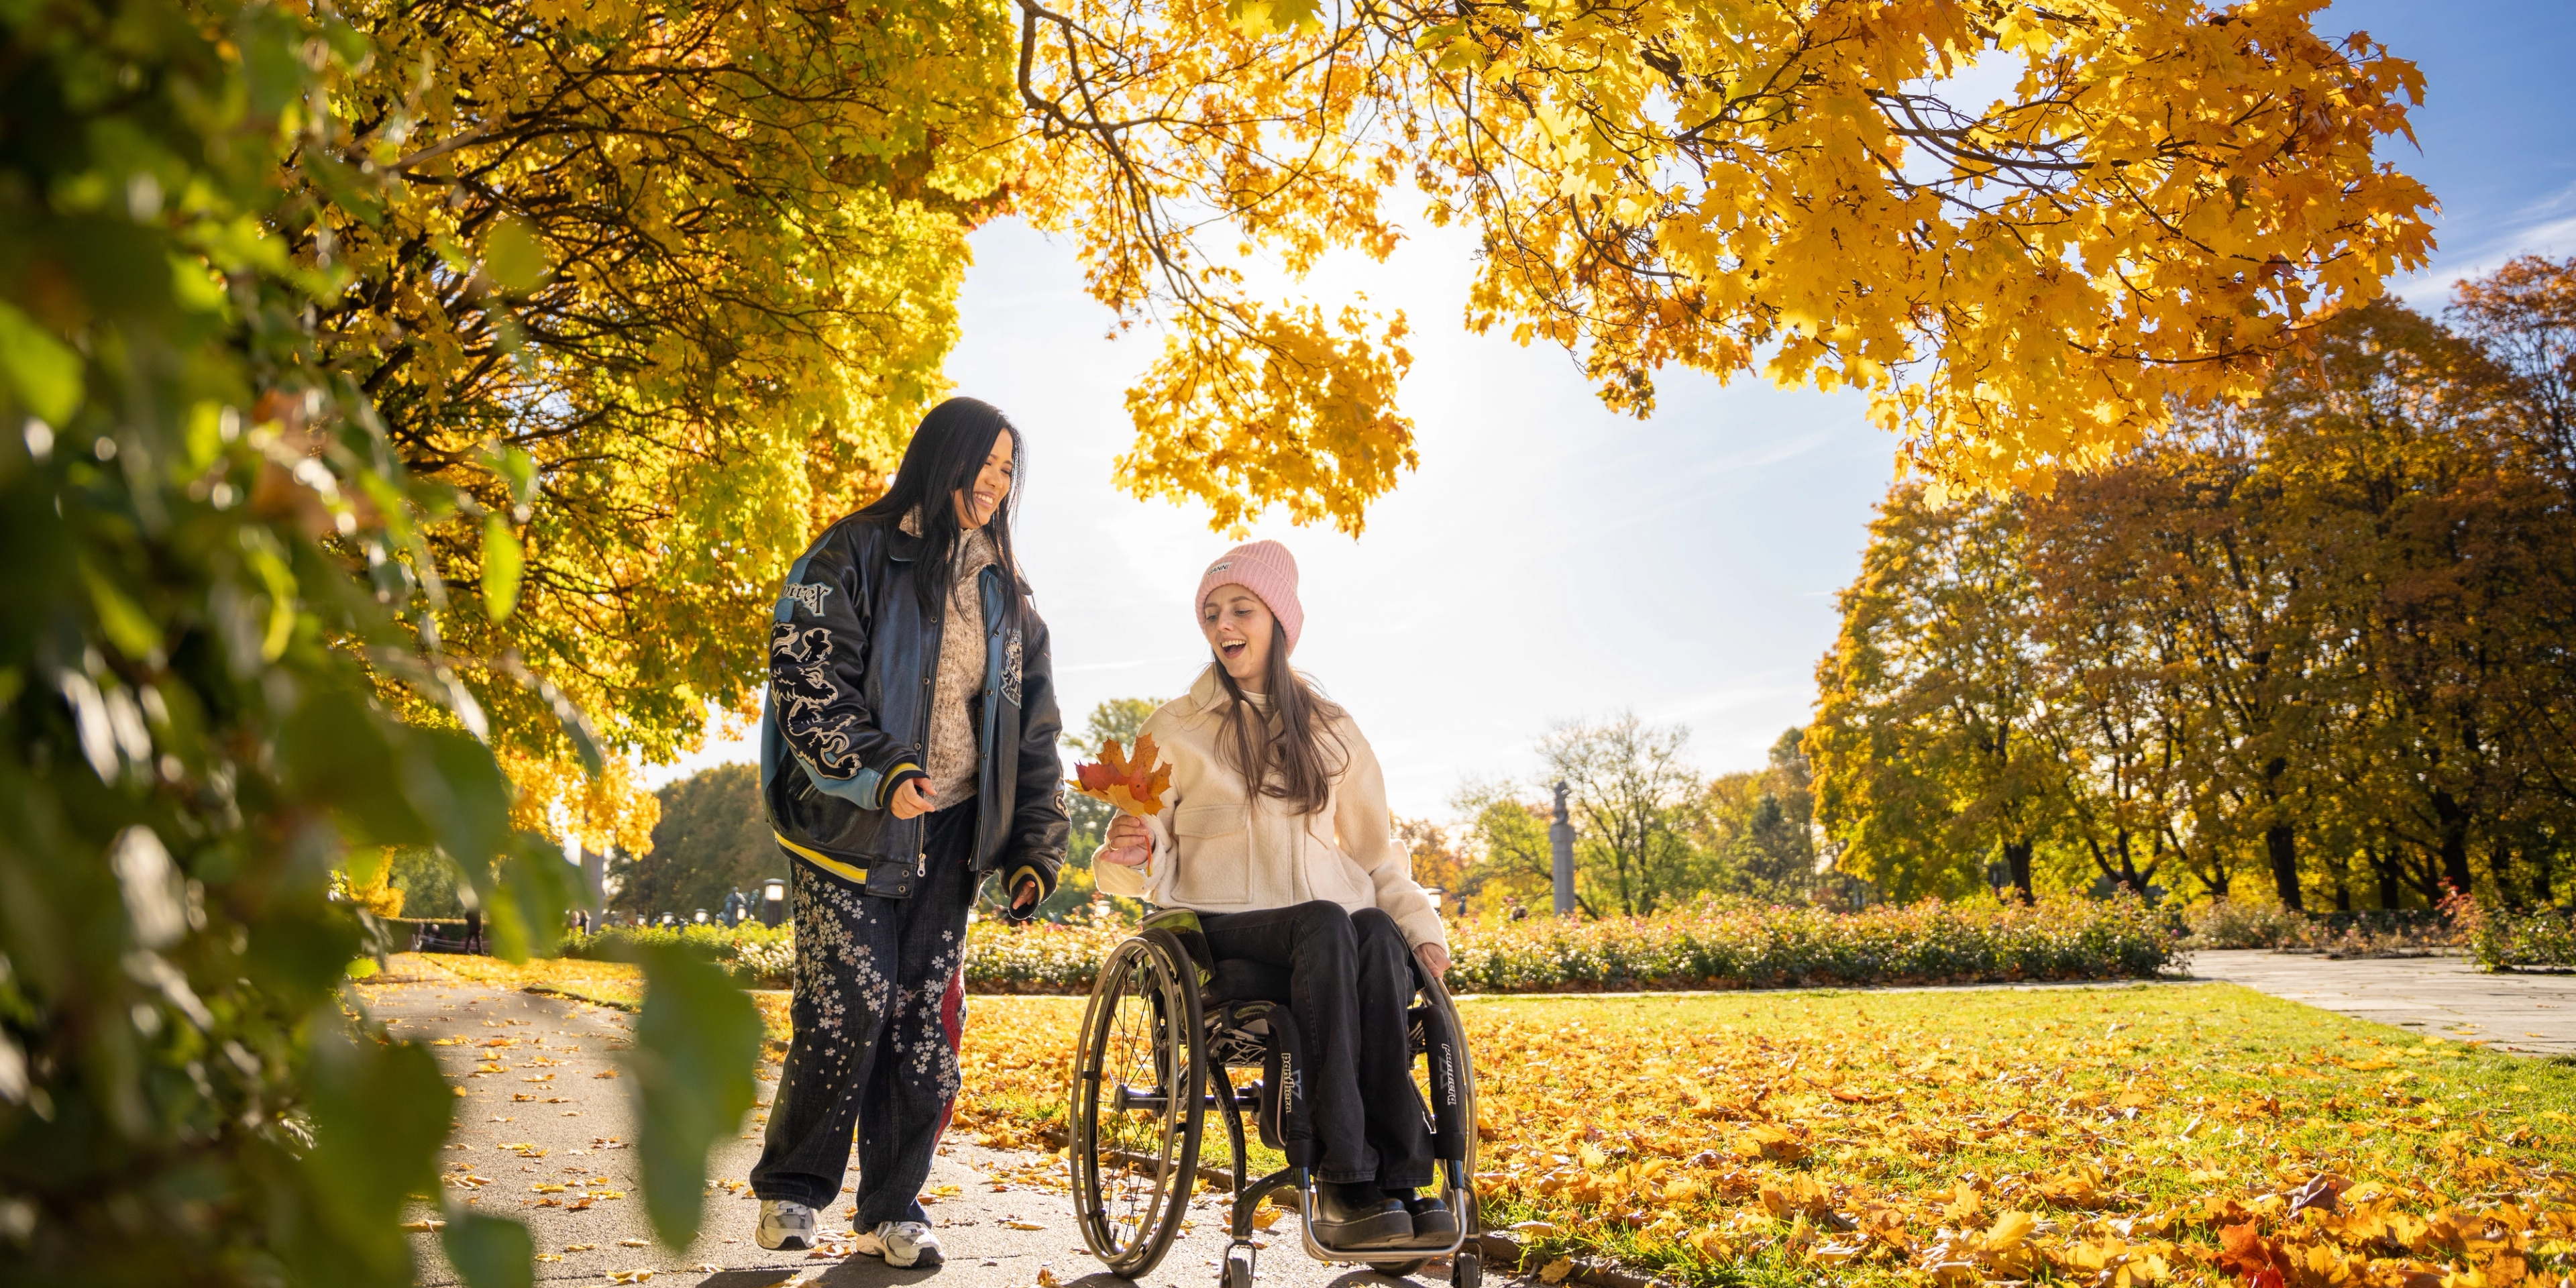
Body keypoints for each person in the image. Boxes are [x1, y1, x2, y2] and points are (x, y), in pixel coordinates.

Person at [749, 396, 1070, 1266]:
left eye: (1011, 472)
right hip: (845, 826)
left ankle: (895, 1208)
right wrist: (881, 770)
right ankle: (793, 1189)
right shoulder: (851, 552)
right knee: (850, 1005)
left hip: (953, 835)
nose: (999, 486)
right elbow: (809, 681)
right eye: (988, 464)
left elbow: (1034, 736)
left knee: (922, 1023)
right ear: (945, 458)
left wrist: (1035, 849)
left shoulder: (1010, 601)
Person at [1094, 540, 1454, 1250]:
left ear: (1278, 619)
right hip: (1226, 941)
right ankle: (1347, 1178)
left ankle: (1406, 1179)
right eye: (1209, 612)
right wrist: (1124, 852)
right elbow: (1134, 870)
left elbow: (1377, 856)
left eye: (1240, 608)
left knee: (1377, 933)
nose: (1223, 623)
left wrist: (1423, 930)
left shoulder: (1332, 731)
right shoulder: (1174, 730)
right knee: (1328, 923)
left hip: (1328, 947)